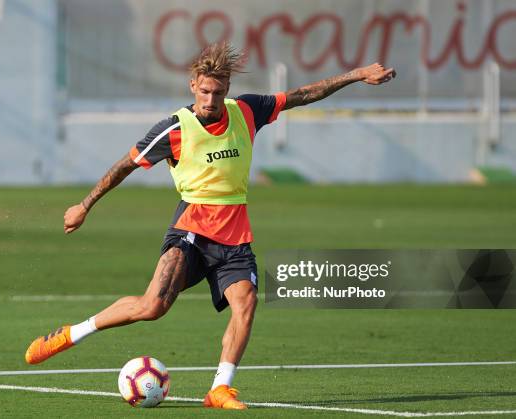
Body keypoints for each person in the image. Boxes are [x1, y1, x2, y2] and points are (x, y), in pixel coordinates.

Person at [24, 42, 395, 409]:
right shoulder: (174, 129)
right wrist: (84, 206)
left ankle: (220, 389)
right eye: (204, 91)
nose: (210, 99)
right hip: (192, 230)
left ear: (227, 90)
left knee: (246, 302)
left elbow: (303, 94)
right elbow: (125, 165)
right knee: (152, 306)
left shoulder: (247, 110)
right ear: (192, 86)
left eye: (217, 92)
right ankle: (72, 334)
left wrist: (358, 75)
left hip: (234, 233)